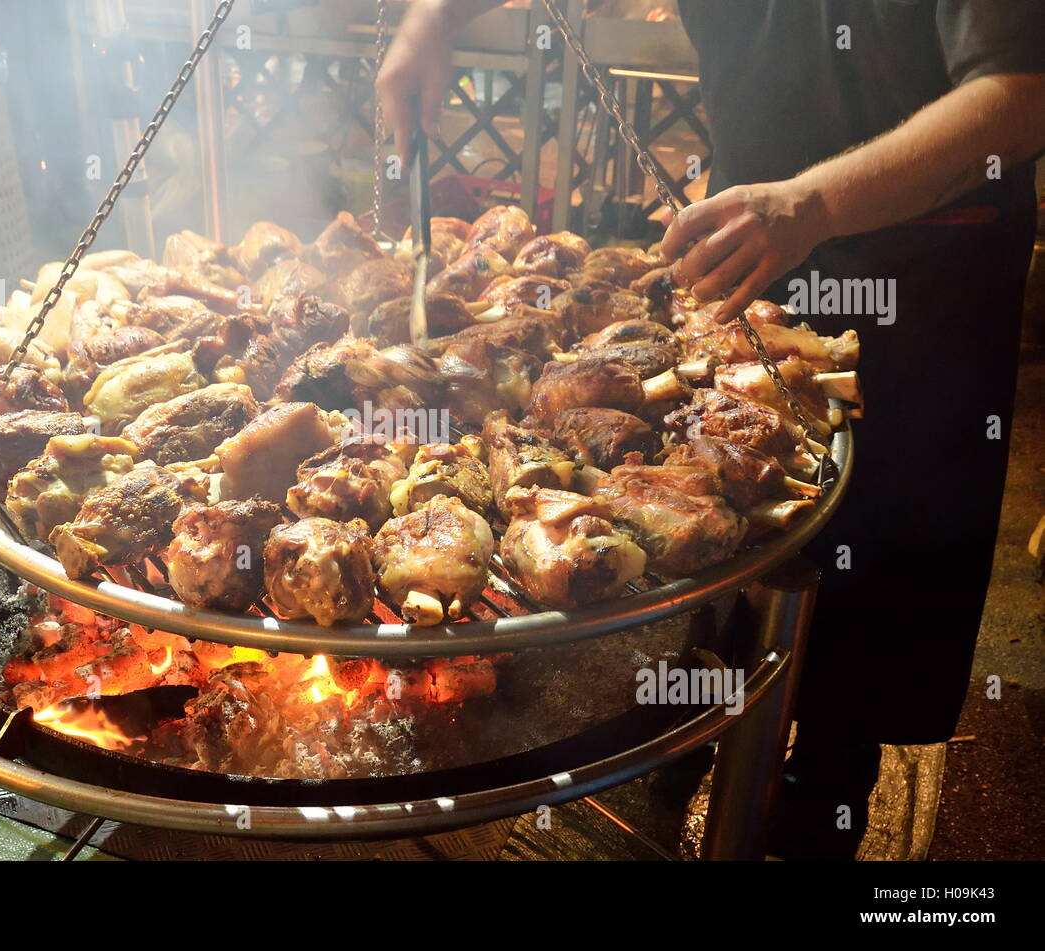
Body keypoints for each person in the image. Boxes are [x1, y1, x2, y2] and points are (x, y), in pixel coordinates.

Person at [380, 0, 1045, 856]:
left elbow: (1022, 89)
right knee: (703, 530)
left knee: (871, 583)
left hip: (916, 266)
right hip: (741, 236)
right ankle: (678, 750)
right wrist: (431, 18)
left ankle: (822, 792)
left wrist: (812, 203)